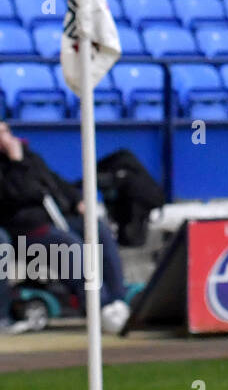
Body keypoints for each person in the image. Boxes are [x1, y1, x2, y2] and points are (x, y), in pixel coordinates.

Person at [0, 122, 132, 333]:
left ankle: (117, 299)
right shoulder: (13, 164)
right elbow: (20, 194)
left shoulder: (30, 157)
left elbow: (54, 182)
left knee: (98, 230)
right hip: (24, 227)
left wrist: (77, 201)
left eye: (6, 132)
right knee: (70, 245)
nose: (6, 138)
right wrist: (16, 162)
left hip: (56, 218)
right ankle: (98, 305)